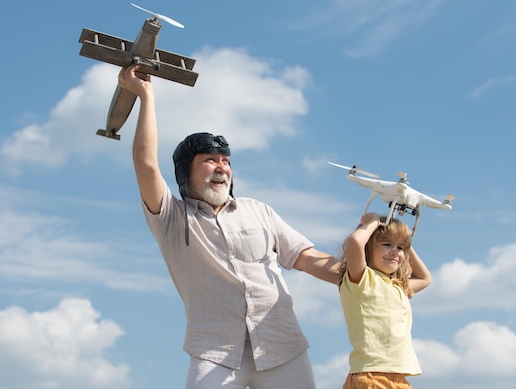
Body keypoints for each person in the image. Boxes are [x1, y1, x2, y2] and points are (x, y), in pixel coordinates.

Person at [117, 64, 340, 389]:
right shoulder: (172, 219)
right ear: (185, 173)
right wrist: (146, 95)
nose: (221, 166)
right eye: (209, 160)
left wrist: (359, 275)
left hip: (282, 345)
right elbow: (146, 164)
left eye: (226, 161)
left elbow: (306, 257)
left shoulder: (258, 210)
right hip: (214, 351)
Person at [338, 212, 431, 389]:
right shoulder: (363, 279)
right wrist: (373, 223)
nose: (395, 251)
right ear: (367, 248)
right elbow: (354, 243)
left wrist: (405, 241)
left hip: (400, 379)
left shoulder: (398, 286)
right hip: (371, 376)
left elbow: (425, 278)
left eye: (400, 248)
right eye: (387, 244)